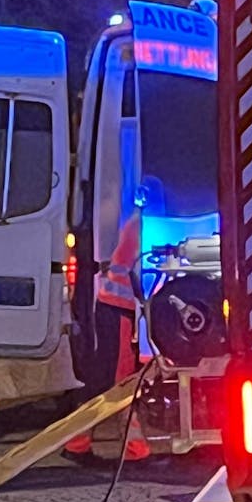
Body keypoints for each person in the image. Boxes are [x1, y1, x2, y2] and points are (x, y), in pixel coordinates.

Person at [63, 183, 154, 465]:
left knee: (110, 380)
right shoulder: (141, 226)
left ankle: (85, 445)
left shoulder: (135, 223)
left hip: (115, 310)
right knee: (119, 381)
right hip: (117, 311)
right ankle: (81, 445)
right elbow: (133, 267)